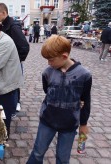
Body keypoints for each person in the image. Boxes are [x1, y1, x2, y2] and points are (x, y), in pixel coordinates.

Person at [27, 35, 92, 164]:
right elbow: (48, 91)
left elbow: (86, 100)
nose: (48, 63)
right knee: (38, 152)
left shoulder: (84, 75)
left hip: (69, 123)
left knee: (63, 158)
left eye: (51, 60)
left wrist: (83, 124)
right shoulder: (48, 72)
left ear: (64, 56)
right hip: (48, 119)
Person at [0, 3, 29, 113]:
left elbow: (24, 46)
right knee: (11, 85)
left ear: (4, 13)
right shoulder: (4, 25)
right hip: (9, 62)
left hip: (14, 63)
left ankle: (14, 107)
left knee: (13, 86)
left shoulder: (13, 26)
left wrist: (16, 60)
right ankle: (12, 106)